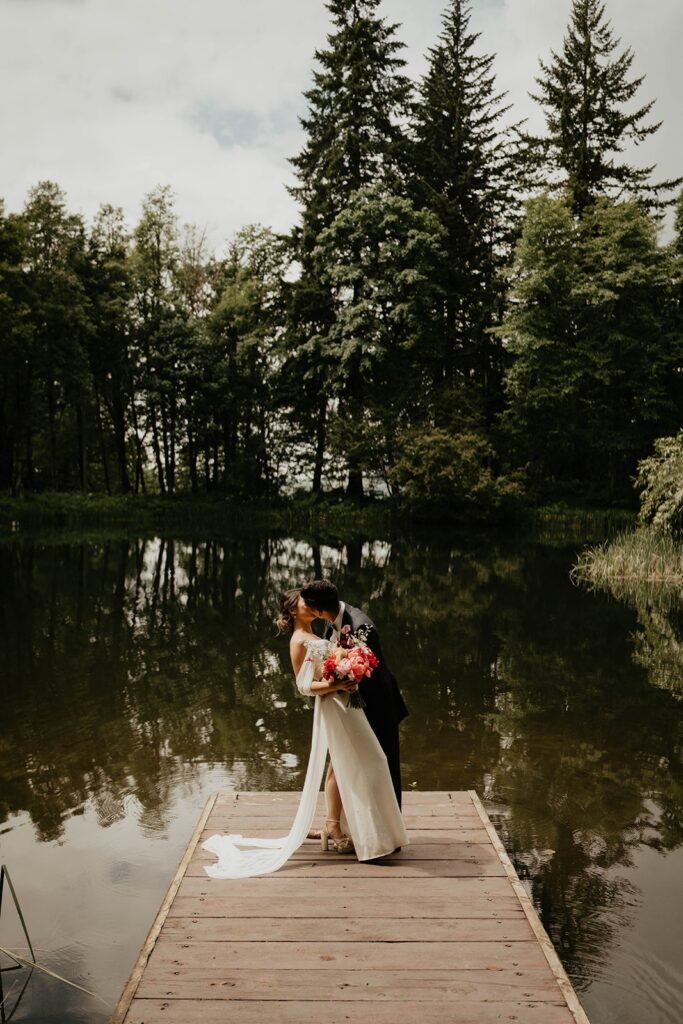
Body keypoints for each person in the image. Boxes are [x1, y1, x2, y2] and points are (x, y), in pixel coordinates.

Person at [200, 587, 408, 878]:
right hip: (335, 705)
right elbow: (303, 686)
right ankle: (359, 832)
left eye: (311, 602)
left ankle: (338, 826)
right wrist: (338, 683)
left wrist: (346, 674)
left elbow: (335, 664)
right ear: (294, 611)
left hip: (347, 705)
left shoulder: (324, 631)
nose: (309, 606)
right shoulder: (299, 641)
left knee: (348, 764)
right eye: (303, 603)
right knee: (359, 763)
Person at [300, 578, 408, 811]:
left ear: (318, 610)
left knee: (384, 763)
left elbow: (366, 673)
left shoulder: (360, 626)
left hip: (379, 703)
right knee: (354, 766)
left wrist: (337, 683)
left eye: (311, 609)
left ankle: (392, 829)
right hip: (354, 705)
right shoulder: (332, 620)